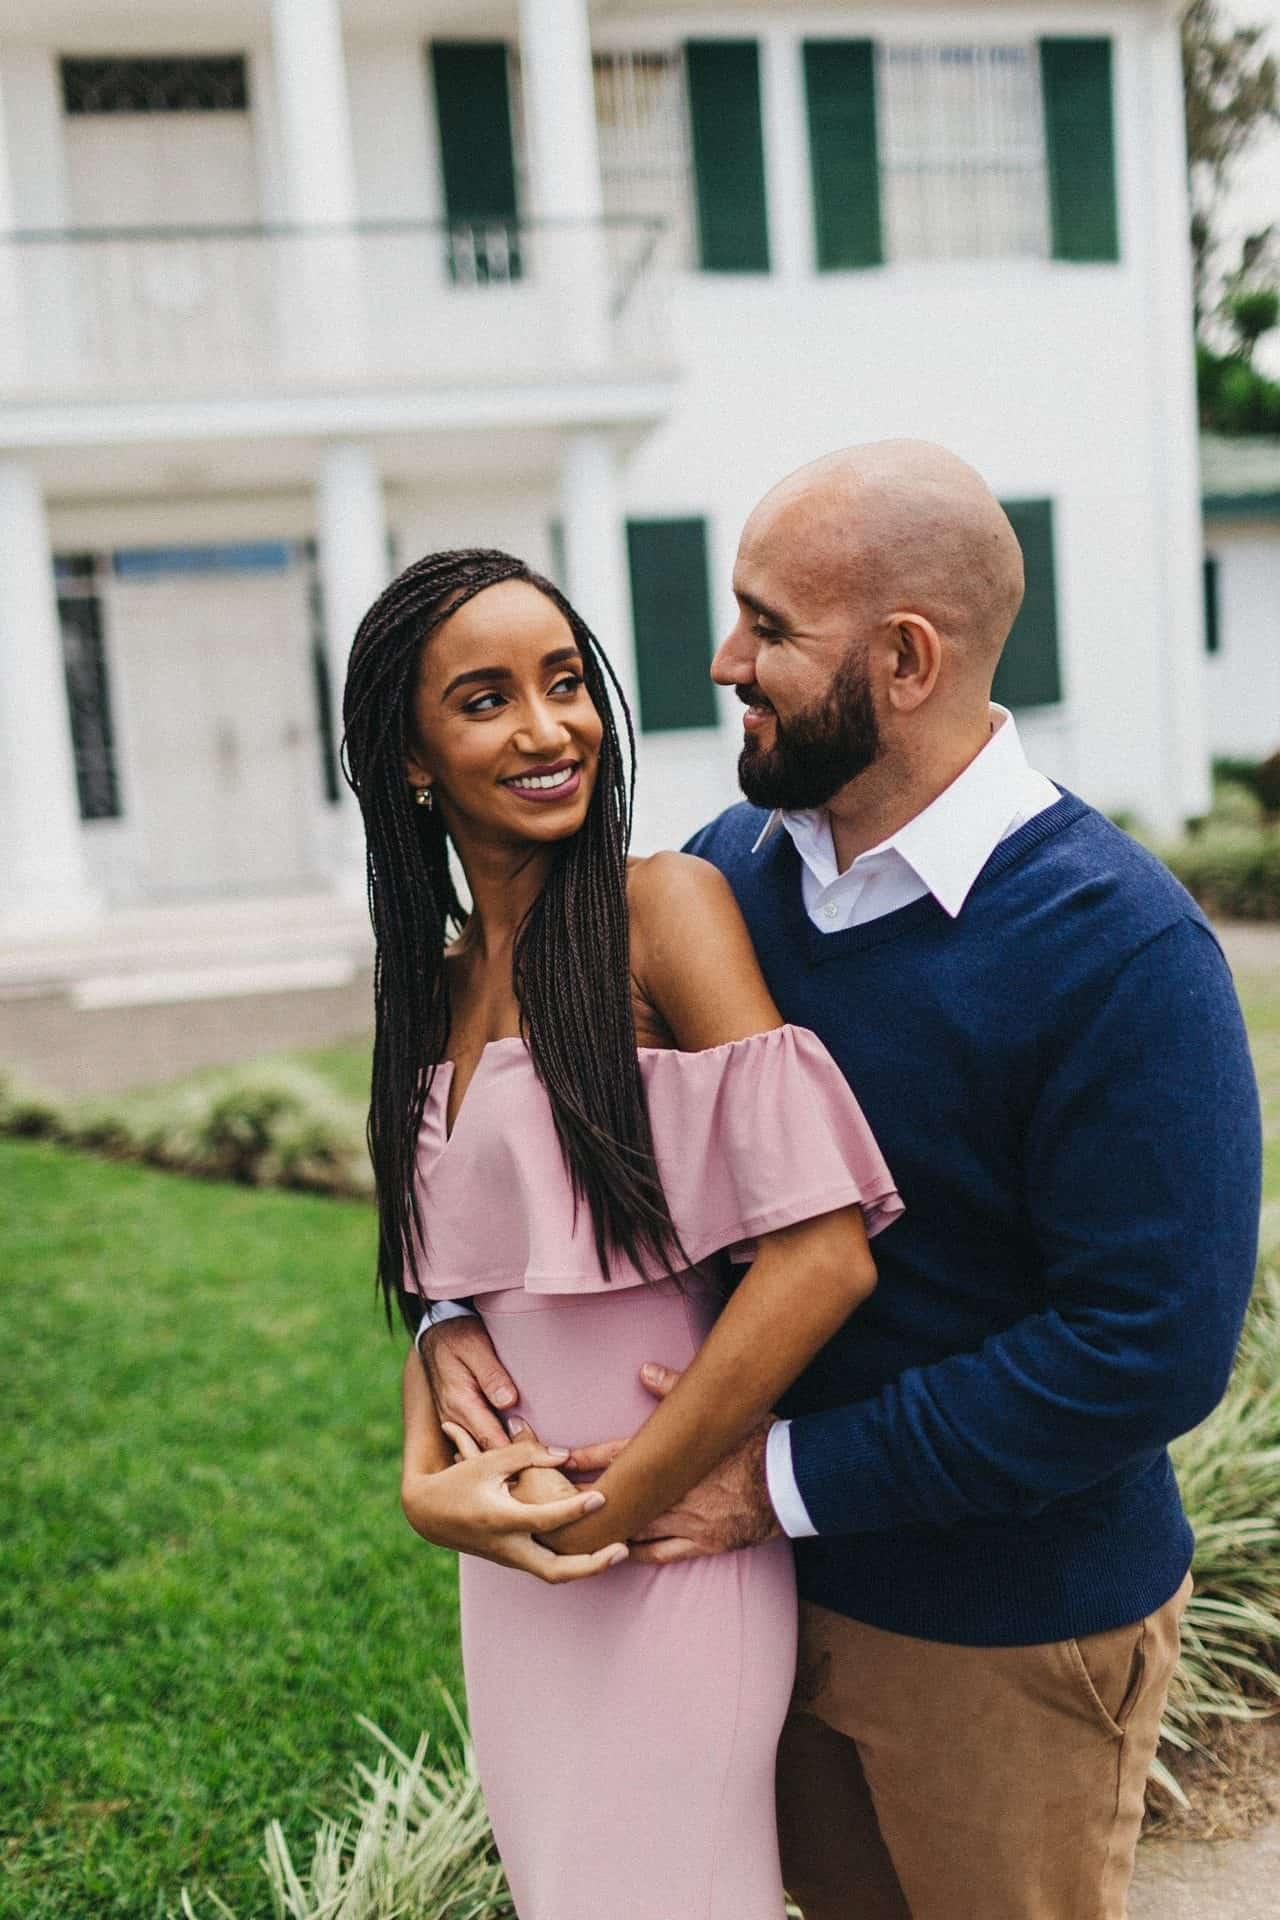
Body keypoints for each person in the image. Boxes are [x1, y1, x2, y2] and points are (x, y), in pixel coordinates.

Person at [421, 444, 1263, 1920]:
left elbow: (1143, 1351)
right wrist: (445, 1329)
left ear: (907, 660)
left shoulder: (1122, 952)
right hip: (751, 1605)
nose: (723, 657)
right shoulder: (726, 875)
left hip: (1001, 1633)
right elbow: (524, 1135)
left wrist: (778, 1483)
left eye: (769, 628)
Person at [340, 547, 903, 1920]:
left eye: (567, 682)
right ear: (411, 758)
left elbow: (825, 1253)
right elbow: (448, 1291)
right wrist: (431, 1477)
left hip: (659, 1559)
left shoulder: (664, 912)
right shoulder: (433, 982)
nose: (549, 728)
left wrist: (623, 1500)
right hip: (519, 1588)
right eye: (486, 700)